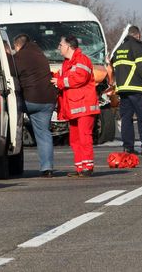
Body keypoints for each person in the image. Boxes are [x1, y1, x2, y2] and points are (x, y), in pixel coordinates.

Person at [52, 35, 100, 177]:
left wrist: (60, 82)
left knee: (84, 137)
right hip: (73, 107)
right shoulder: (67, 63)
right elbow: (67, 79)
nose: (59, 47)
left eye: (60, 44)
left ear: (68, 46)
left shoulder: (81, 60)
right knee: (75, 139)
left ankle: (87, 166)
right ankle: (80, 167)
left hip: (83, 106)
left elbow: (79, 78)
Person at [12, 34, 58, 177]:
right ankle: (47, 168)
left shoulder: (19, 57)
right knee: (44, 133)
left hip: (30, 100)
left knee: (12, 120)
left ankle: (11, 157)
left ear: (18, 45)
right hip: (48, 100)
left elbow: (12, 74)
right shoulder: (41, 55)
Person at [111, 26, 142, 155]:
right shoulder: (139, 48)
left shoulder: (119, 50)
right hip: (139, 89)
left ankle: (128, 147)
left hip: (123, 90)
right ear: (138, 35)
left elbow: (114, 69)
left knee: (126, 119)